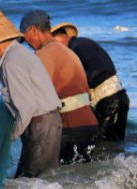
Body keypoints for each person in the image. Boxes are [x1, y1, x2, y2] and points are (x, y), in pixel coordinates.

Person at [0, 8, 62, 178]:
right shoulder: (17, 54)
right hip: (44, 123)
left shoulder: (11, 61)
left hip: (41, 126)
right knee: (31, 180)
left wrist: (11, 136)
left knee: (34, 183)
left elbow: (27, 106)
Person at [20, 10, 99, 165]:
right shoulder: (67, 51)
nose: (28, 44)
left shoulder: (44, 54)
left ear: (34, 31)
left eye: (26, 38)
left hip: (72, 126)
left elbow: (35, 95)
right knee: (82, 178)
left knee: (62, 179)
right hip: (89, 123)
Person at [51, 22, 130, 141]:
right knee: (113, 143)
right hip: (116, 98)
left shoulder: (78, 46)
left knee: (103, 145)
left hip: (109, 101)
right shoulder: (83, 44)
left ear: (61, 37)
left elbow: (98, 70)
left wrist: (81, 88)